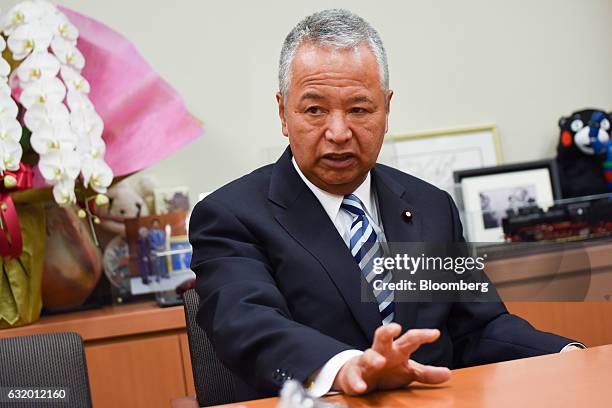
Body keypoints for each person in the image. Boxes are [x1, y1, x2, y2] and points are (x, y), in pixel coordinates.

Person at [189, 9, 582, 401]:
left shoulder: (431, 207)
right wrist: (346, 367)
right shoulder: (233, 216)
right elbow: (248, 323)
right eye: (314, 110)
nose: (339, 132)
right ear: (283, 113)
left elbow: (477, 327)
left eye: (359, 109)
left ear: (387, 108)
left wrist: (567, 356)